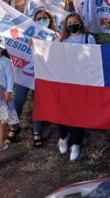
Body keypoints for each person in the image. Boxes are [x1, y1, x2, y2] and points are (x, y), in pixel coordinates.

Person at [7, 9, 58, 148]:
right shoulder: (25, 33)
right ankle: (14, 127)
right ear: (33, 21)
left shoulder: (55, 36)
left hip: (42, 76)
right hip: (24, 74)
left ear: (50, 21)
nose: (42, 20)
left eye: (45, 18)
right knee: (18, 101)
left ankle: (37, 132)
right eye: (39, 18)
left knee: (38, 104)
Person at [56, 13, 95, 161]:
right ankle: (63, 136)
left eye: (75, 21)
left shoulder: (88, 38)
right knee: (61, 111)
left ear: (80, 23)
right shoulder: (62, 40)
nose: (72, 24)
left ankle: (76, 144)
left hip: (81, 81)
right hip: (65, 81)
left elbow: (94, 57)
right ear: (66, 25)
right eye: (69, 22)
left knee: (77, 113)